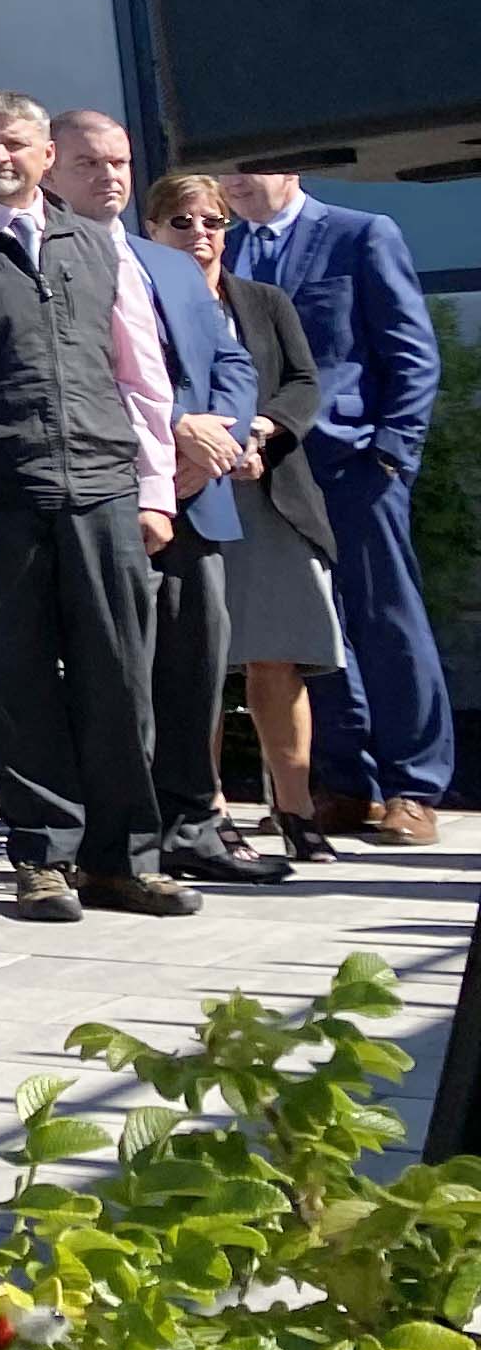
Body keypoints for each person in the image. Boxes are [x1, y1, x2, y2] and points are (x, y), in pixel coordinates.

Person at [0, 94, 187, 923]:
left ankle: (124, 859)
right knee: (15, 680)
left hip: (104, 486)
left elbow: (141, 376)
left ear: (47, 154)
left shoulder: (99, 244)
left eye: (14, 143)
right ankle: (42, 857)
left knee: (119, 675)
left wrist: (155, 490)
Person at [52, 114, 279, 889]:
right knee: (122, 673)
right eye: (88, 163)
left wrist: (218, 435)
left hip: (197, 495)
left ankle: (194, 822)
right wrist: (171, 430)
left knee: (194, 666)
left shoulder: (170, 264)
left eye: (118, 162)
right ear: (51, 169)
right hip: (112, 492)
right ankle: (123, 836)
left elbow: (230, 358)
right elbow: (69, 373)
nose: (108, 176)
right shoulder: (43, 262)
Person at [219, 169, 448, 844]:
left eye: (250, 166)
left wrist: (392, 454)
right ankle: (346, 786)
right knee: (308, 631)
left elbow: (409, 349)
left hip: (354, 465)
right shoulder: (218, 249)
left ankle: (414, 787)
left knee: (386, 620)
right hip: (263, 470)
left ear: (288, 169)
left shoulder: (360, 234)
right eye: (226, 170)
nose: (236, 182)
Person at [149, 172, 352, 866]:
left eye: (213, 222)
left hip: (268, 495)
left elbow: (303, 383)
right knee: (193, 664)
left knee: (278, 657)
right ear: (151, 231)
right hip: (181, 497)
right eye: (182, 223)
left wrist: (260, 431)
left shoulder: (262, 302)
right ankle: (207, 814)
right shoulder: (137, 302)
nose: (200, 235)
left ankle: (295, 811)